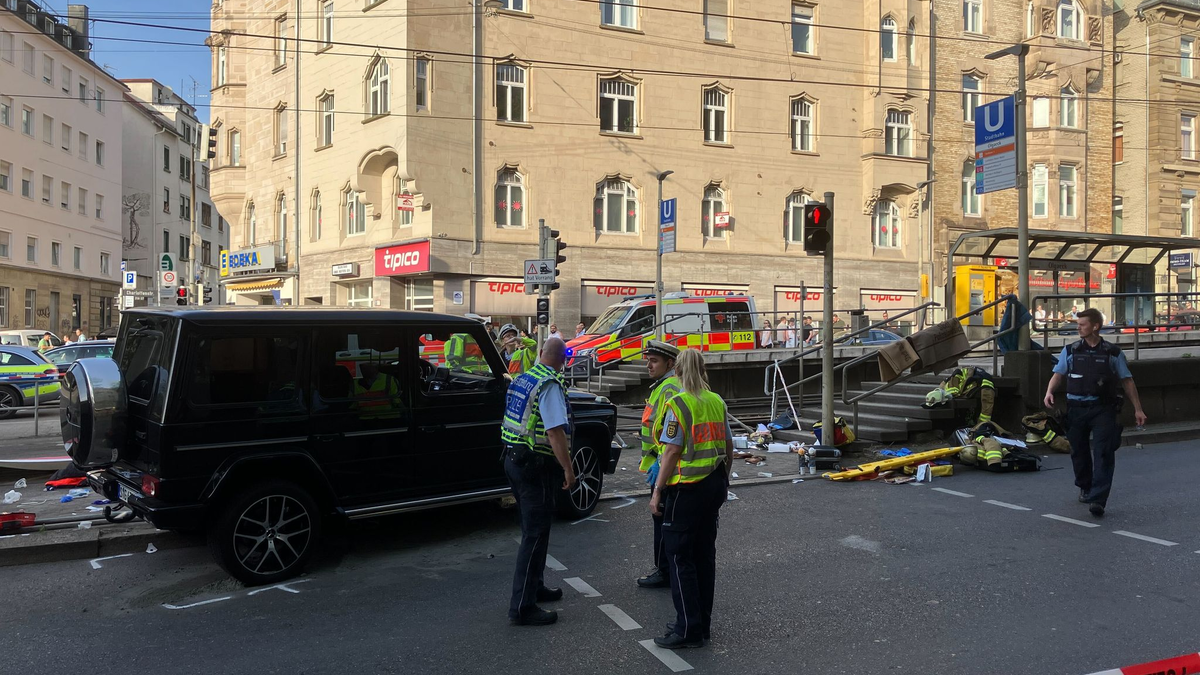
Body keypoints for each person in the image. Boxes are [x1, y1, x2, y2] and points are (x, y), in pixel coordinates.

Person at [649, 349, 734, 649]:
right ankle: (702, 624)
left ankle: (687, 628)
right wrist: (724, 478)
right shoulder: (717, 401)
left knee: (679, 557)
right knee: (704, 556)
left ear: (679, 371)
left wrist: (658, 491)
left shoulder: (679, 404)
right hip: (712, 486)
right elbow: (728, 446)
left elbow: (671, 451)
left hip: (685, 490)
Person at [500, 338, 577, 626]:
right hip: (536, 468)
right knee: (534, 535)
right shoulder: (550, 385)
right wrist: (568, 470)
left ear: (541, 353)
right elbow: (556, 432)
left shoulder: (524, 378)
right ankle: (522, 607)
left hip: (513, 460)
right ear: (564, 360)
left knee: (536, 531)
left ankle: (535, 585)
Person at [1044, 308, 1146, 517]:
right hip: (1076, 409)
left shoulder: (1112, 352)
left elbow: (1127, 380)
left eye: (1082, 324)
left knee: (1103, 452)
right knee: (1079, 453)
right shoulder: (1070, 350)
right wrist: (1049, 392)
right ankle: (1085, 486)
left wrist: (1138, 409)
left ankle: (1098, 499)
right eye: (1078, 324)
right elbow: (1058, 373)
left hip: (1103, 409)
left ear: (1095, 326)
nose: (1078, 327)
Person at [636, 341, 682, 590]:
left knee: (662, 520)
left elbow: (671, 430)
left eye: (654, 360)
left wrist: (661, 465)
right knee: (662, 519)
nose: (648, 364)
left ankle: (664, 570)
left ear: (670, 364)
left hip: (663, 466)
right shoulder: (662, 386)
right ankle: (664, 568)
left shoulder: (669, 388)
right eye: (648, 359)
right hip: (659, 463)